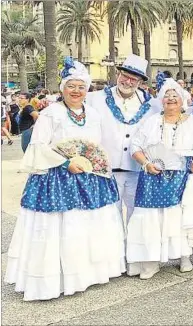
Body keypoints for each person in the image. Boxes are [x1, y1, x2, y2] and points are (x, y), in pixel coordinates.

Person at [5, 57, 125, 301]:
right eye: (71, 86)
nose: (76, 91)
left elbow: (96, 146)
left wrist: (91, 163)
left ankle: (86, 274)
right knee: (60, 226)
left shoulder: (93, 115)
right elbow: (38, 146)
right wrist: (66, 162)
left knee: (86, 225)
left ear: (87, 89)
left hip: (88, 178)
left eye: (81, 87)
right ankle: (56, 279)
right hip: (56, 178)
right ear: (62, 89)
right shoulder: (51, 114)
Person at [125, 78, 193, 279]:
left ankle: (184, 256)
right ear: (161, 101)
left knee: (180, 216)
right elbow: (135, 147)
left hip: (183, 174)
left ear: (183, 101)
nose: (171, 99)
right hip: (153, 175)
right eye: (167, 96)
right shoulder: (151, 122)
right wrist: (146, 164)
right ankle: (151, 261)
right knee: (150, 217)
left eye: (175, 96)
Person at [86, 54, 160, 234]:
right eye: (124, 76)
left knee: (138, 215)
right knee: (109, 216)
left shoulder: (153, 105)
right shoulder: (94, 99)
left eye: (133, 79)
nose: (127, 81)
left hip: (138, 170)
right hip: (105, 171)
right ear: (118, 74)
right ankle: (115, 257)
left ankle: (134, 255)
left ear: (141, 82)